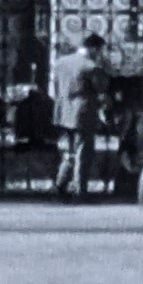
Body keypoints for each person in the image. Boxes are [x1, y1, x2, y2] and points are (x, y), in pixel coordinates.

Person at [51, 32, 109, 198]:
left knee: (69, 150)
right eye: (100, 50)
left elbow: (56, 86)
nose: (100, 54)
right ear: (94, 48)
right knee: (84, 151)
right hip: (83, 112)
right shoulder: (91, 66)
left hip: (63, 112)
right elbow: (101, 88)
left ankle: (61, 183)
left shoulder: (61, 62)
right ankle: (80, 189)